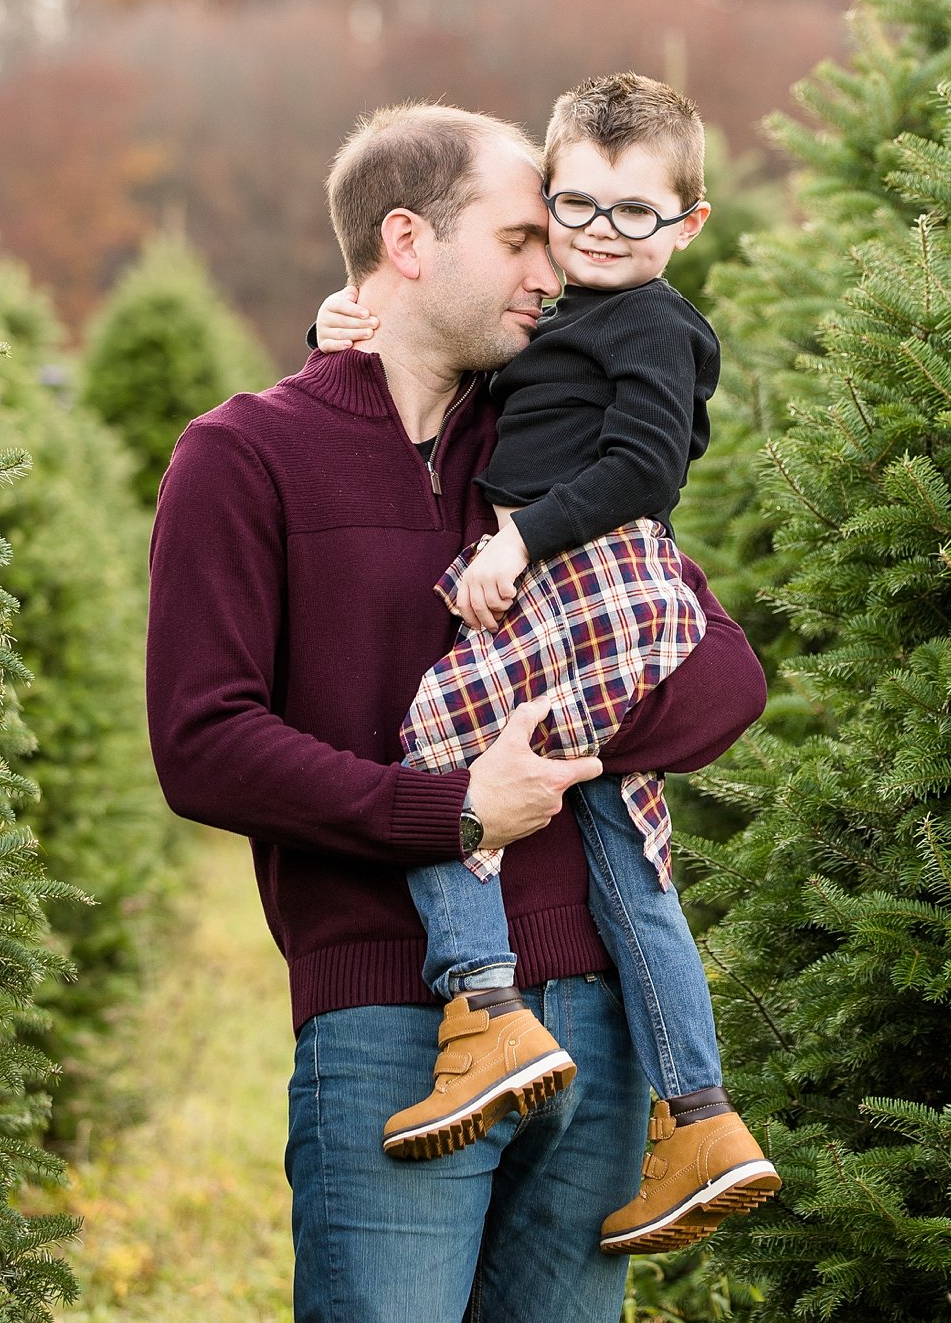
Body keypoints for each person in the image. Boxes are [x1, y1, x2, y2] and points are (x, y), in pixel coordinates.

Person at [145, 102, 769, 1323]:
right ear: (407, 244)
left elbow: (719, 678)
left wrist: (562, 746)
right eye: (523, 237)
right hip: (389, 1012)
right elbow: (203, 744)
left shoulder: (545, 450)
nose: (556, 271)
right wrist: (449, 807)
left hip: (595, 1012)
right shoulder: (242, 458)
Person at [313, 73, 774, 1254]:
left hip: (590, 575)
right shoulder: (560, 319)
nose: (598, 237)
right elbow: (450, 375)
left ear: (687, 223)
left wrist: (517, 536)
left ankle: (483, 1001)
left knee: (435, 748)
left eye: (636, 213)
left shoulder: (657, 324)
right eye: (572, 209)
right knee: (626, 844)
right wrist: (338, 331)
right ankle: (704, 1115)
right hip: (584, 583)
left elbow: (644, 468)